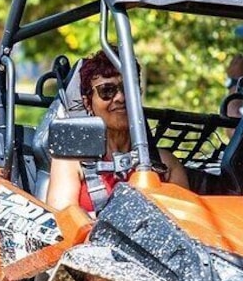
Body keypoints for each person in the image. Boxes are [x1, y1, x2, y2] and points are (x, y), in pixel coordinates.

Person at [47, 49, 189, 213]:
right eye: (107, 90)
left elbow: (189, 224)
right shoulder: (72, 161)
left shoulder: (165, 165)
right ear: (88, 103)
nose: (120, 98)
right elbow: (62, 221)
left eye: (127, 89)